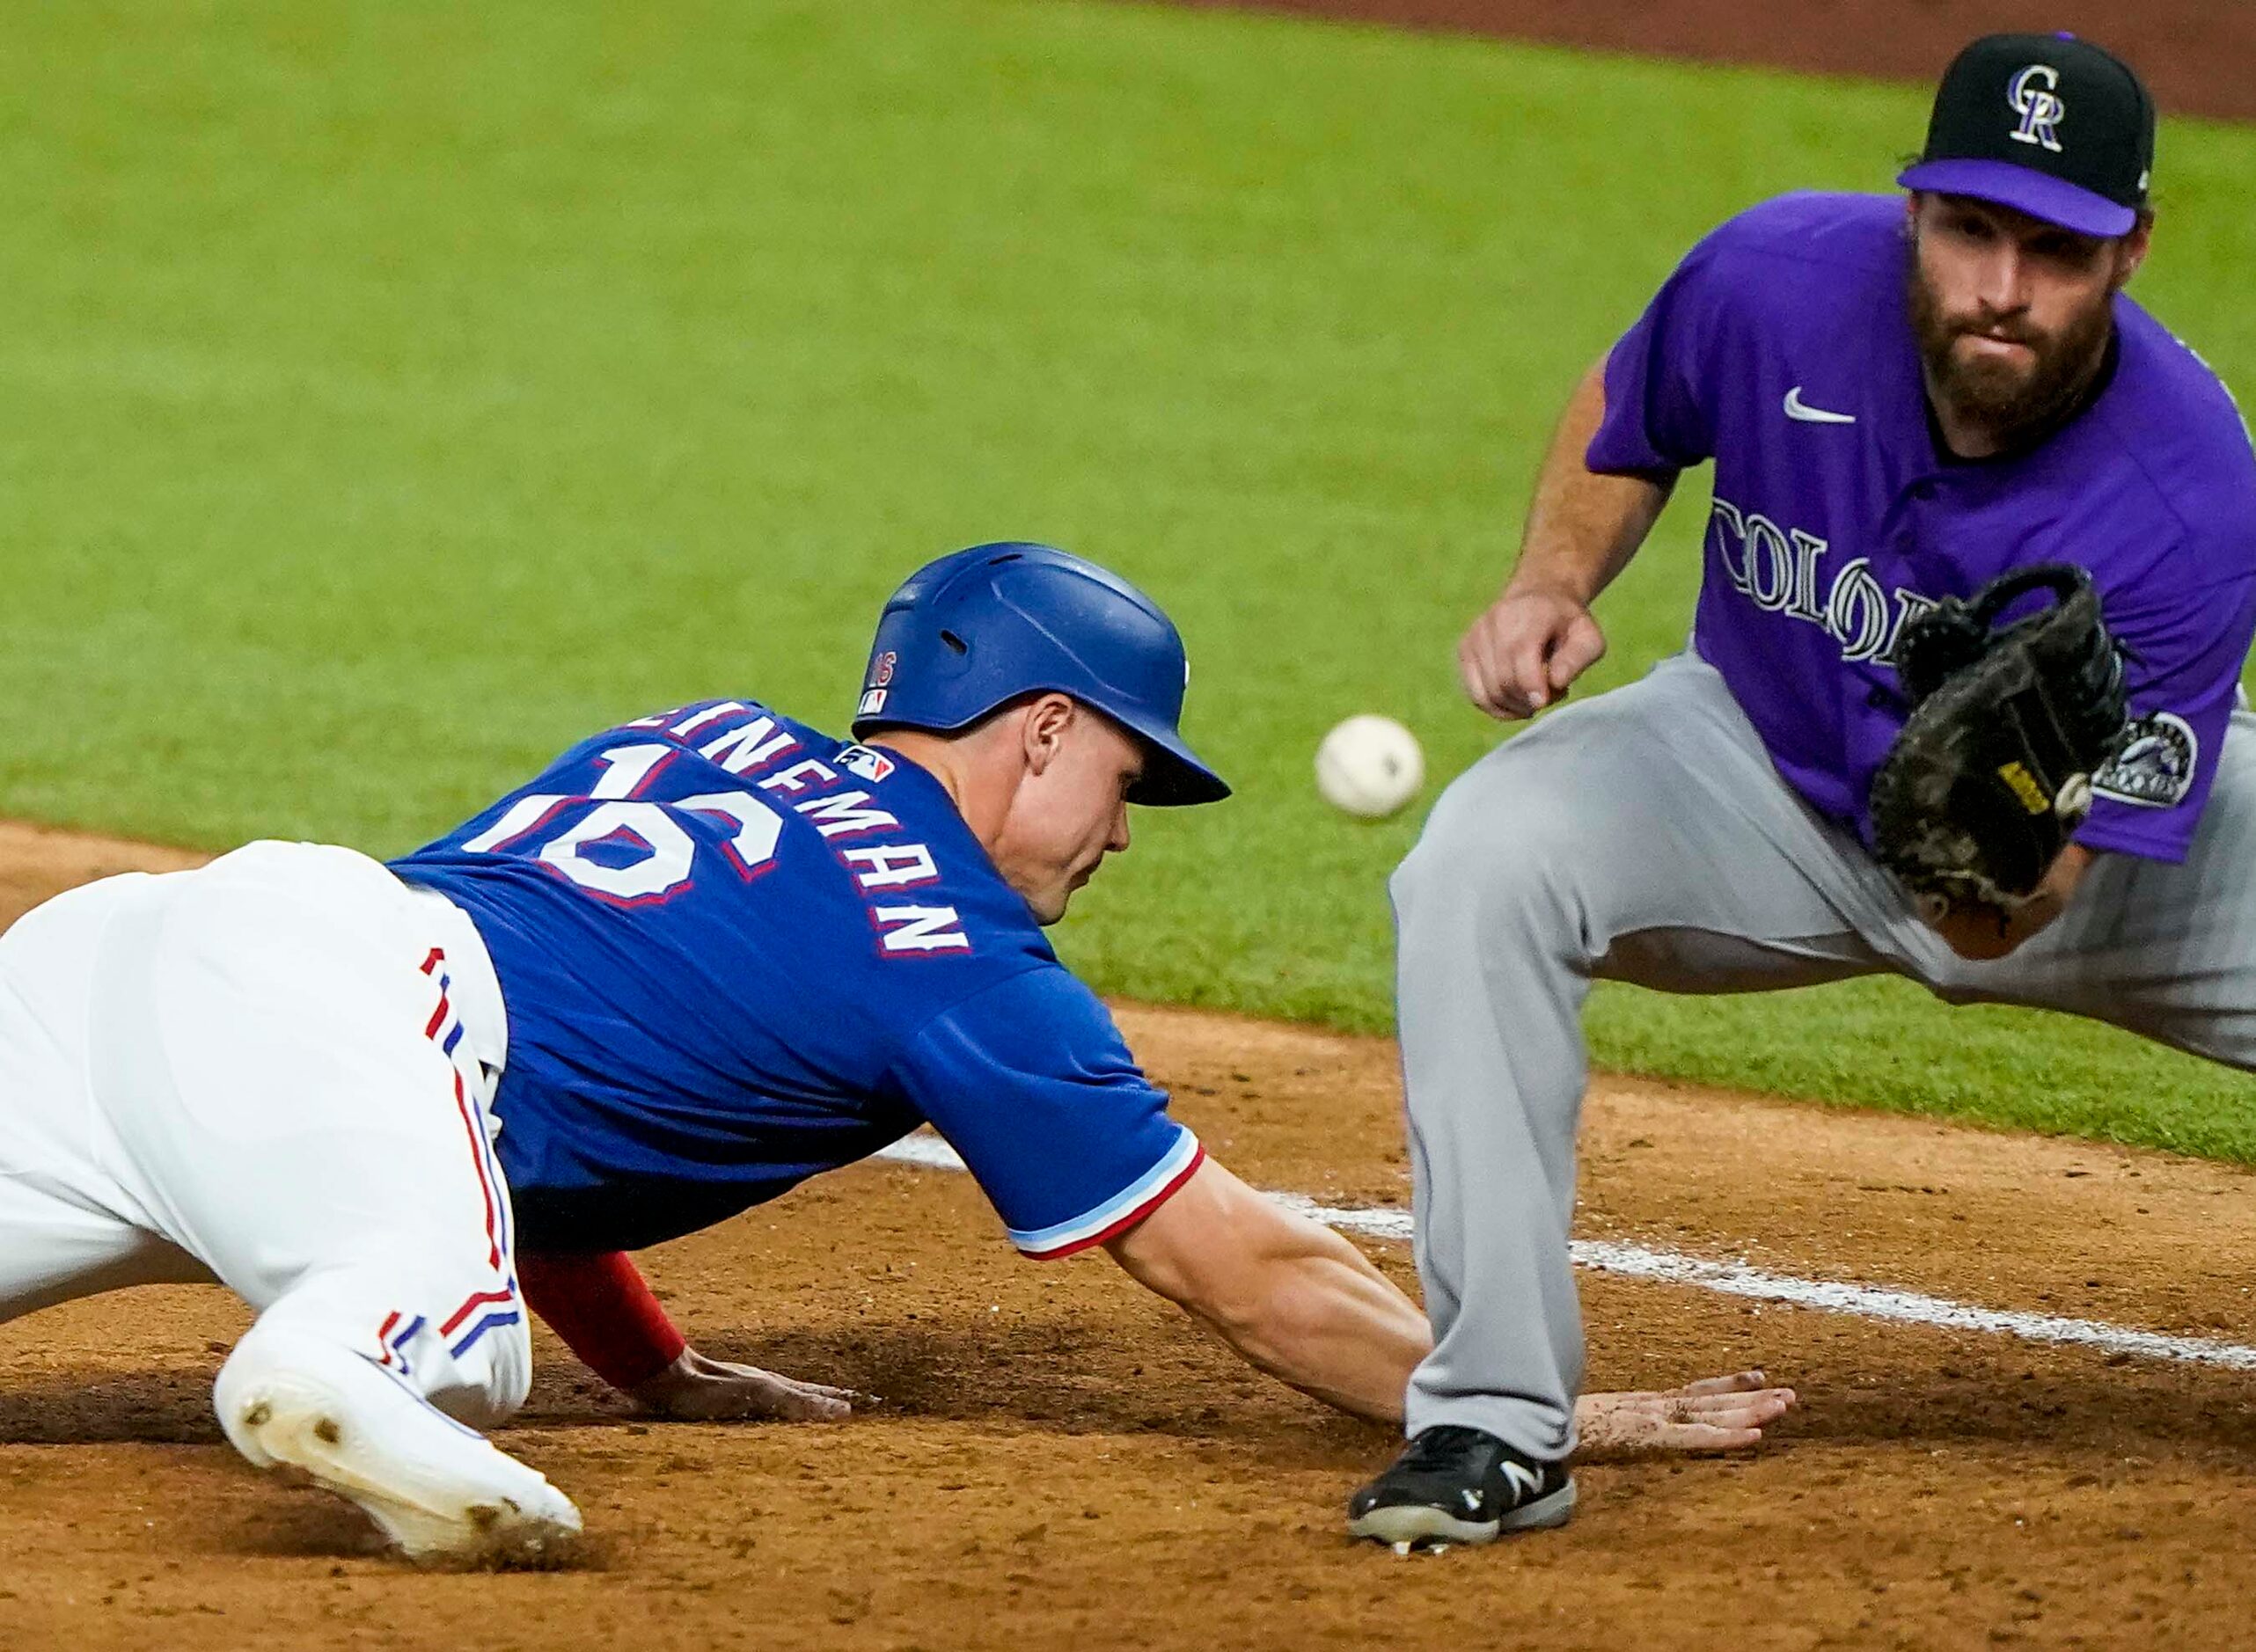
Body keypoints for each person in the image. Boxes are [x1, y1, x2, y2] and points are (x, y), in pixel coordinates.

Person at [0, 543, 1789, 1562]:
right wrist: (1513, 1402)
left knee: (417, 1183)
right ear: (1039, 732)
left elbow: (509, 1087)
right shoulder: (953, 954)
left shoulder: (698, 736)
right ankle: (330, 1357)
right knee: (448, 1347)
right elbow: (1235, 1262)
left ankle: (363, 1325)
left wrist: (660, 1365)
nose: (1126, 829)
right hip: (341, 1012)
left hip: (158, 958)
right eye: (1126, 777)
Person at [1348, 31, 2256, 1549]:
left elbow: (2009, 923)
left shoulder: (2192, 495)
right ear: (1914, 212)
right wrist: (1551, 580)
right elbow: (1630, 399)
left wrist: (1988, 843)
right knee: (1479, 861)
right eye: (1971, 231)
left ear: (2133, 252)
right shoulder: (1772, 279)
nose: (2002, 289)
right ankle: (1494, 1423)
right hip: (1751, 771)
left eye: (2057, 249)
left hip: (2061, 874)